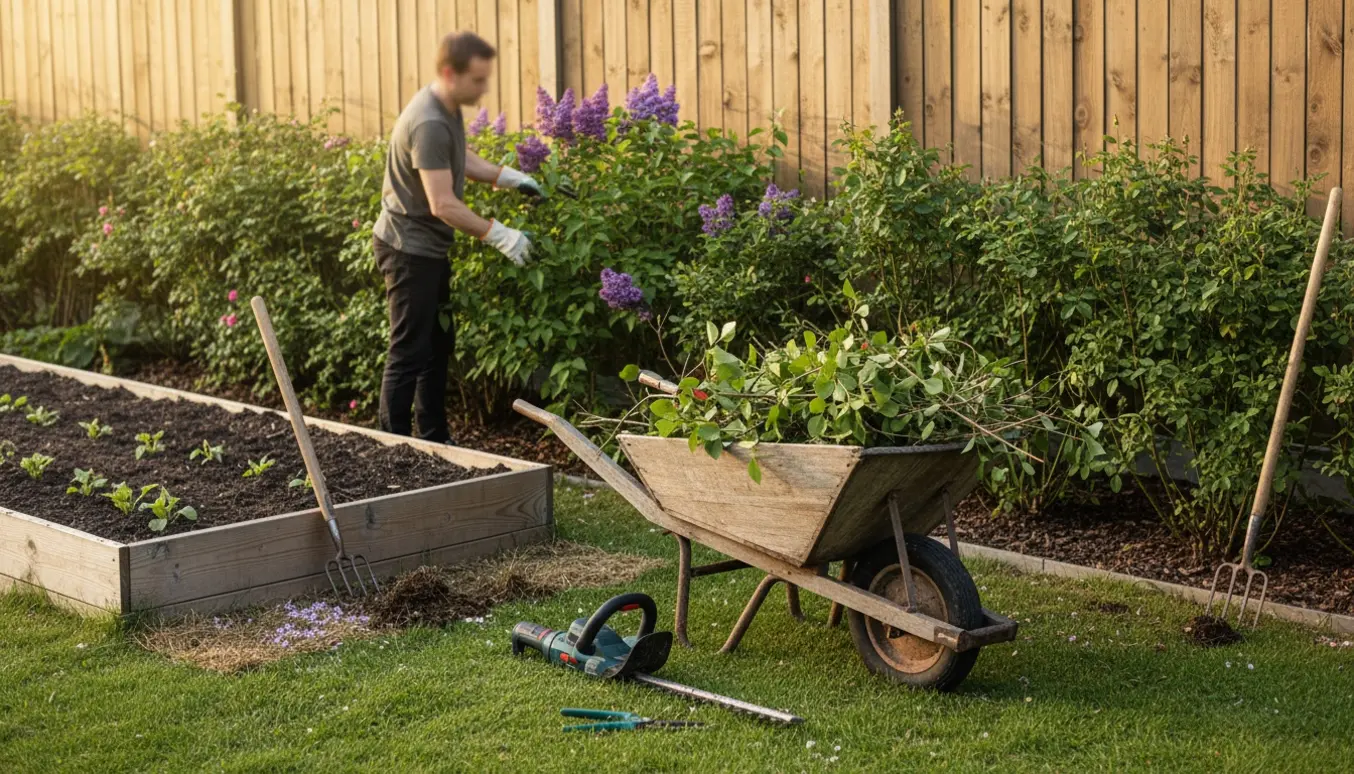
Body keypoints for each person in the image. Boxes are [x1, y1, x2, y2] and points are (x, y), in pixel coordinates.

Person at [372, 31, 541, 442]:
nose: (484, 89)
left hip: (427, 248)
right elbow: (442, 204)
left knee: (437, 346)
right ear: (451, 73)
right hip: (408, 248)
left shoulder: (445, 107)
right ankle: (388, 445)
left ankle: (433, 439)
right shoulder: (429, 121)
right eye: (478, 80)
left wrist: (510, 178)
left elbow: (457, 157)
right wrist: (500, 235)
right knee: (410, 351)